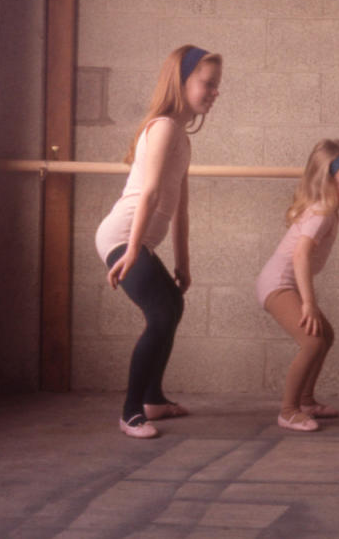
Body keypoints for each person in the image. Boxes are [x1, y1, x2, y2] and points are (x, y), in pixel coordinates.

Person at [95, 45, 222, 439]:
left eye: (217, 86)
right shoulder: (163, 126)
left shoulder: (181, 137)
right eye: (207, 83)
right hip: (121, 236)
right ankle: (132, 411)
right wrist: (134, 250)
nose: (214, 92)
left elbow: (179, 209)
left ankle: (153, 398)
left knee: (173, 304)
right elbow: (149, 194)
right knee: (161, 315)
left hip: (139, 240)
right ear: (181, 80)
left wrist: (183, 262)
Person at [256, 139, 339, 432]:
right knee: (312, 341)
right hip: (277, 283)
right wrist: (309, 304)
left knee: (326, 335)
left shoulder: (329, 200)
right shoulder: (322, 212)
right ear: (327, 183)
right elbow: (301, 255)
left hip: (283, 282)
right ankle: (288, 411)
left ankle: (306, 400)